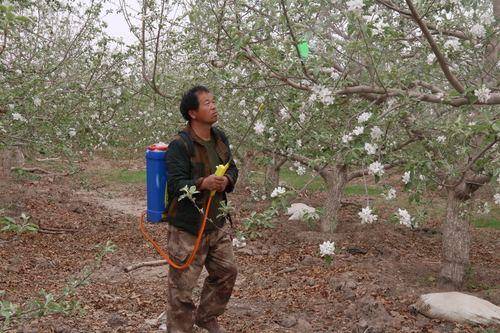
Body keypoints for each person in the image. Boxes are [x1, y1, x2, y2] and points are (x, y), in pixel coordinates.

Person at [165, 85, 238, 333]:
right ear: (193, 113)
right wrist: (202, 184)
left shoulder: (219, 139)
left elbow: (232, 168)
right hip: (188, 228)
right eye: (207, 103)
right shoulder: (179, 145)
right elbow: (175, 185)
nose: (214, 106)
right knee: (181, 291)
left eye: (214, 101)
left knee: (226, 272)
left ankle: (206, 316)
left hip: (215, 223)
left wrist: (227, 180)